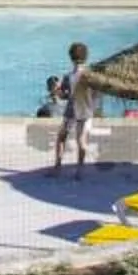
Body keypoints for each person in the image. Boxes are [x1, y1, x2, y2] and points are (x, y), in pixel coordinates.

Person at [53, 41, 94, 175]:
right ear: (86, 57)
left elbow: (64, 96)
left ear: (71, 57)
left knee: (61, 137)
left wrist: (57, 90)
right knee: (81, 142)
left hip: (71, 111)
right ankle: (79, 171)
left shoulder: (68, 77)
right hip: (86, 110)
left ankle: (57, 167)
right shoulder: (91, 75)